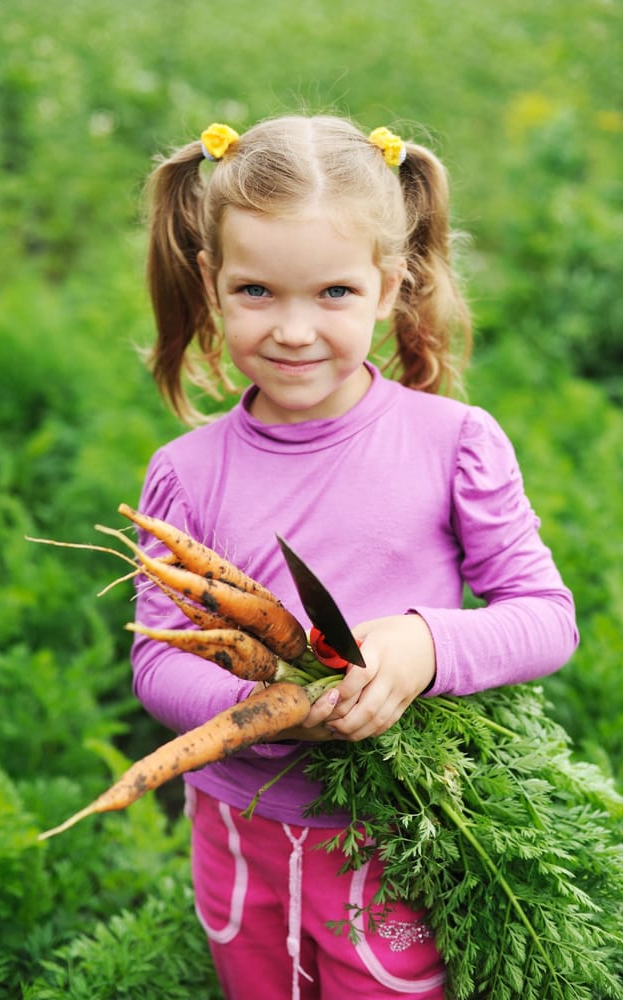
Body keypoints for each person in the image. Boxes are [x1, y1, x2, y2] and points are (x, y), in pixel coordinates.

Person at [129, 115, 579, 999]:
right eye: (257, 291)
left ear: (388, 286)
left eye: (332, 293)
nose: (294, 330)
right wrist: (261, 707)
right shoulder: (186, 472)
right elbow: (155, 659)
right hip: (236, 822)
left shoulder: (452, 441)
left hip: (394, 829)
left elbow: (545, 616)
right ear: (211, 284)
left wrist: (423, 647)